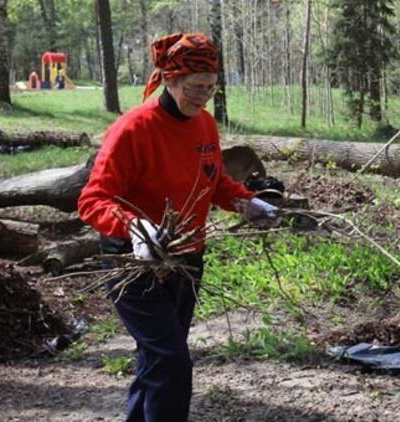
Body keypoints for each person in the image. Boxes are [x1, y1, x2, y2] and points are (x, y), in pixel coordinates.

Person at [78, 33, 278, 421]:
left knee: (157, 360)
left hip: (187, 261)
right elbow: (93, 199)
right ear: (168, 80)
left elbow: (213, 180)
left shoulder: (204, 125)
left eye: (210, 88)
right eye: (193, 88)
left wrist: (247, 202)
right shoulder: (133, 130)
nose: (202, 96)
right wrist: (135, 227)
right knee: (172, 361)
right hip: (134, 266)